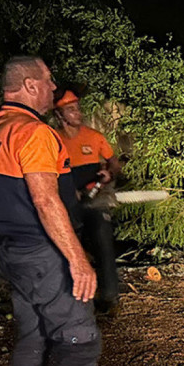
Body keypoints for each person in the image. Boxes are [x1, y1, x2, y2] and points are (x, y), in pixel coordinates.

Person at [0, 56, 124, 366]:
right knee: (80, 339)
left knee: (33, 334)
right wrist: (77, 258)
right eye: (49, 81)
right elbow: (43, 197)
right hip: (41, 249)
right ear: (30, 85)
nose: (54, 89)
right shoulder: (32, 132)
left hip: (8, 251)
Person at [54, 90, 122, 314]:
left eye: (78, 108)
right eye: (71, 109)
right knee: (68, 247)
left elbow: (114, 162)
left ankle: (110, 296)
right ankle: (70, 297)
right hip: (67, 203)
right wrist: (66, 190)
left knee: (103, 238)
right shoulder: (54, 140)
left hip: (95, 199)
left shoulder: (94, 137)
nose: (78, 113)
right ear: (60, 115)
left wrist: (108, 173)